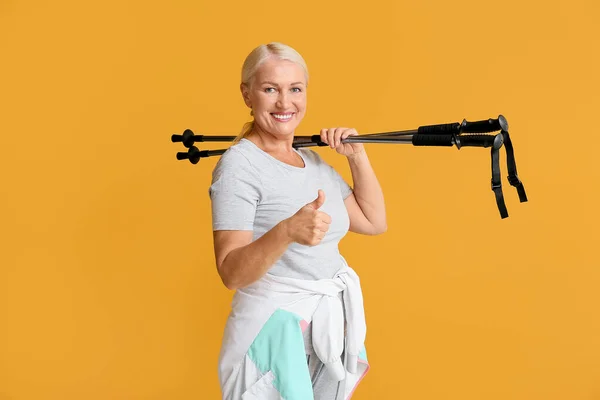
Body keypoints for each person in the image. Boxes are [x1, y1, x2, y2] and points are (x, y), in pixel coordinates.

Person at [209, 42, 387, 400]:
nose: (284, 103)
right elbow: (231, 272)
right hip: (269, 334)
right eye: (270, 89)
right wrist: (287, 230)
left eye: (295, 89)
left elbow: (373, 220)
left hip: (324, 332)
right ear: (247, 94)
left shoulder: (313, 161)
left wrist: (357, 156)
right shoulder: (239, 167)